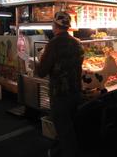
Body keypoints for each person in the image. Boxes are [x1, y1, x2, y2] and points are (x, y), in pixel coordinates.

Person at [35, 11, 84, 157]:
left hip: (60, 94)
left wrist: (39, 59)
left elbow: (42, 71)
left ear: (55, 25)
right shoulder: (77, 43)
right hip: (76, 92)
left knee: (64, 130)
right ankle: (56, 151)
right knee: (70, 128)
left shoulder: (53, 44)